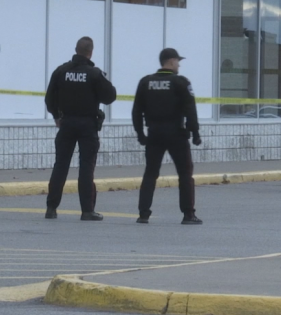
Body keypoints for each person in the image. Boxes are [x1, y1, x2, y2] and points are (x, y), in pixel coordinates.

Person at [44, 36, 116, 221]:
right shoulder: (93, 74)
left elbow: (49, 99)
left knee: (60, 166)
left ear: (76, 50)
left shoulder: (61, 71)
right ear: (90, 52)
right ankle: (87, 210)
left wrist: (57, 117)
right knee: (86, 168)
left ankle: (51, 208)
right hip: (87, 126)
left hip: (66, 124)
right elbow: (110, 96)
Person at [132, 48, 202, 225]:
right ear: (171, 61)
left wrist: (140, 133)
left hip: (154, 133)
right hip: (176, 134)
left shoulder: (146, 82)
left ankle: (143, 213)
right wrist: (195, 133)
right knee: (185, 174)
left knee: (150, 173)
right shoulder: (180, 82)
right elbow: (190, 110)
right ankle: (188, 214)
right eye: (178, 61)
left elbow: (136, 111)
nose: (179, 65)